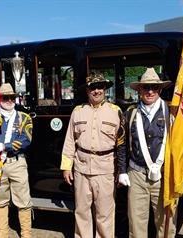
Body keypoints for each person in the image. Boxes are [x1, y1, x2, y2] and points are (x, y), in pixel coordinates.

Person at [61, 74, 124, 238]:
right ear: (87, 90)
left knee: (104, 215)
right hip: (81, 169)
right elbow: (70, 140)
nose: (97, 91)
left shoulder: (116, 112)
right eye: (93, 88)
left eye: (100, 87)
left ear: (105, 89)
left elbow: (122, 145)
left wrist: (121, 170)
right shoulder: (78, 112)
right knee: (82, 212)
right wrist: (66, 167)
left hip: (106, 170)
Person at [116, 67, 174, 237]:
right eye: (146, 87)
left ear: (160, 89)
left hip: (164, 174)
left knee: (166, 224)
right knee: (136, 223)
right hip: (137, 174)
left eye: (154, 87)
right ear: (139, 90)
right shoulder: (130, 113)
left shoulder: (172, 111)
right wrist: (122, 171)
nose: (150, 91)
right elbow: (122, 144)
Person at [0, 83, 33, 238]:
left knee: (23, 202)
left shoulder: (24, 118)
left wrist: (4, 146)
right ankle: (3, 235)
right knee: (1, 203)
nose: (9, 100)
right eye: (5, 97)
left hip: (17, 163)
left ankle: (26, 234)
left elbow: (26, 140)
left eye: (12, 97)